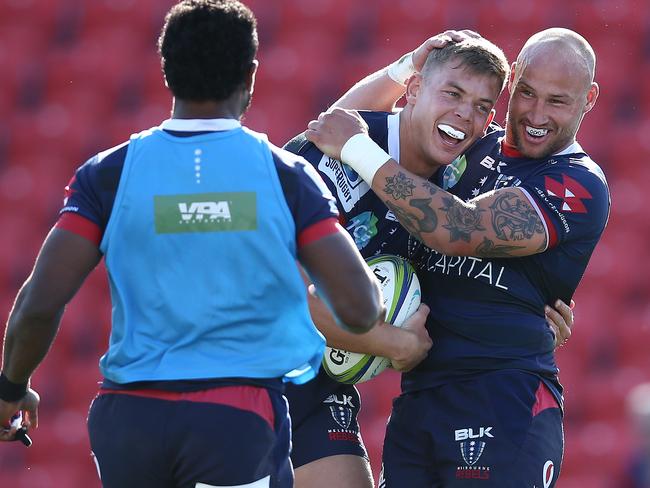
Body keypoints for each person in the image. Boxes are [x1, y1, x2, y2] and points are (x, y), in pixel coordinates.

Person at [0, 1, 387, 487]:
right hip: (235, 416)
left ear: (166, 72)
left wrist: (12, 387)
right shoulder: (285, 176)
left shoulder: (109, 174)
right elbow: (358, 309)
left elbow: (39, 303)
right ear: (250, 74)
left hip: (130, 419)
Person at [306, 27, 608, 487]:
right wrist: (406, 64)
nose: (536, 114)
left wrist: (355, 145)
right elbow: (333, 132)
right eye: (525, 93)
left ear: (588, 99)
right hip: (420, 399)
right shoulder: (465, 145)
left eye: (557, 101)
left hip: (502, 395)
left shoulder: (578, 183)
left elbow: (457, 228)